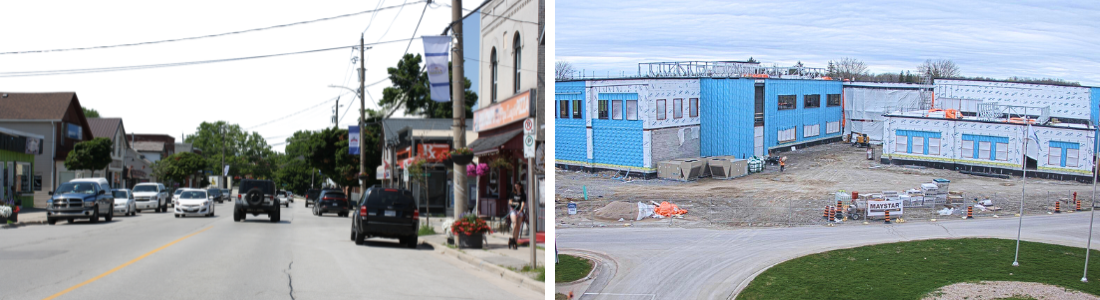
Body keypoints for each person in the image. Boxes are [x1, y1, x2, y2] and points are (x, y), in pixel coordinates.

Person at [509, 183, 527, 249]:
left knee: (518, 227)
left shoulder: (523, 194)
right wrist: (514, 203)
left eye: (517, 186)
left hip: (519, 211)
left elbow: (523, 203)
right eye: (515, 186)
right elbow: (510, 202)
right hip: (513, 210)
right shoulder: (512, 193)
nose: (516, 187)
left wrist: (520, 210)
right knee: (515, 224)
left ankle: (515, 242)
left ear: (520, 186)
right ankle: (512, 238)